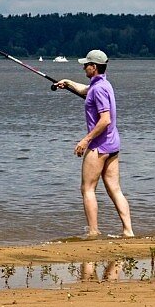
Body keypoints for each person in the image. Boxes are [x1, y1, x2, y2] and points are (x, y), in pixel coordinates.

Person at [54, 50, 134, 239]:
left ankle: (93, 231)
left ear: (94, 67)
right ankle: (128, 231)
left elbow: (105, 119)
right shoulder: (103, 84)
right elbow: (85, 90)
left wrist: (85, 140)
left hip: (100, 145)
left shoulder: (98, 89)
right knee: (115, 189)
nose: (83, 67)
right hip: (113, 144)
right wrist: (68, 83)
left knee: (87, 188)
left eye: (86, 64)